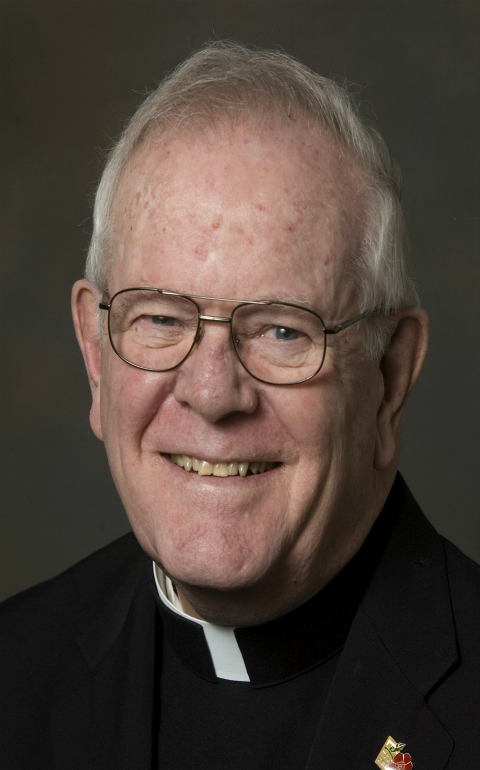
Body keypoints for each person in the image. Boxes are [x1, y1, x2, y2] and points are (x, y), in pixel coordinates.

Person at [1, 42, 478, 770]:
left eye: (282, 330)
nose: (212, 393)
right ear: (96, 358)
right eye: (159, 319)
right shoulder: (15, 674)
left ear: (390, 375)